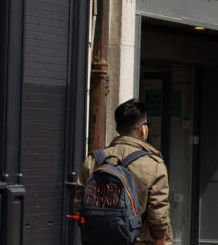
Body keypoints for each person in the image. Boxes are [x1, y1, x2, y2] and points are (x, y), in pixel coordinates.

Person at [73, 99, 172, 245]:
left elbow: (79, 205)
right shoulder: (153, 165)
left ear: (118, 128)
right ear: (143, 129)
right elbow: (158, 217)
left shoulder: (93, 159)